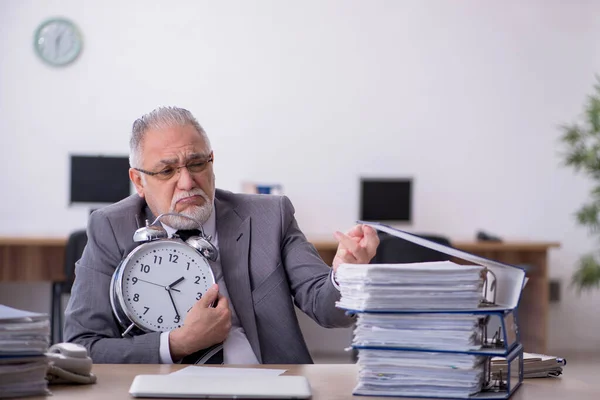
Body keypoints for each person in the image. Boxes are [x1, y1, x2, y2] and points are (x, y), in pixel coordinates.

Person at [64, 106, 379, 364]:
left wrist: (345, 274)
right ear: (139, 181)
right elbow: (83, 347)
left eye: (197, 163)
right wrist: (177, 343)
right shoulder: (111, 227)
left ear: (211, 161)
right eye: (167, 170)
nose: (187, 182)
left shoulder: (270, 217)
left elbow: (328, 309)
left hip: (270, 387)